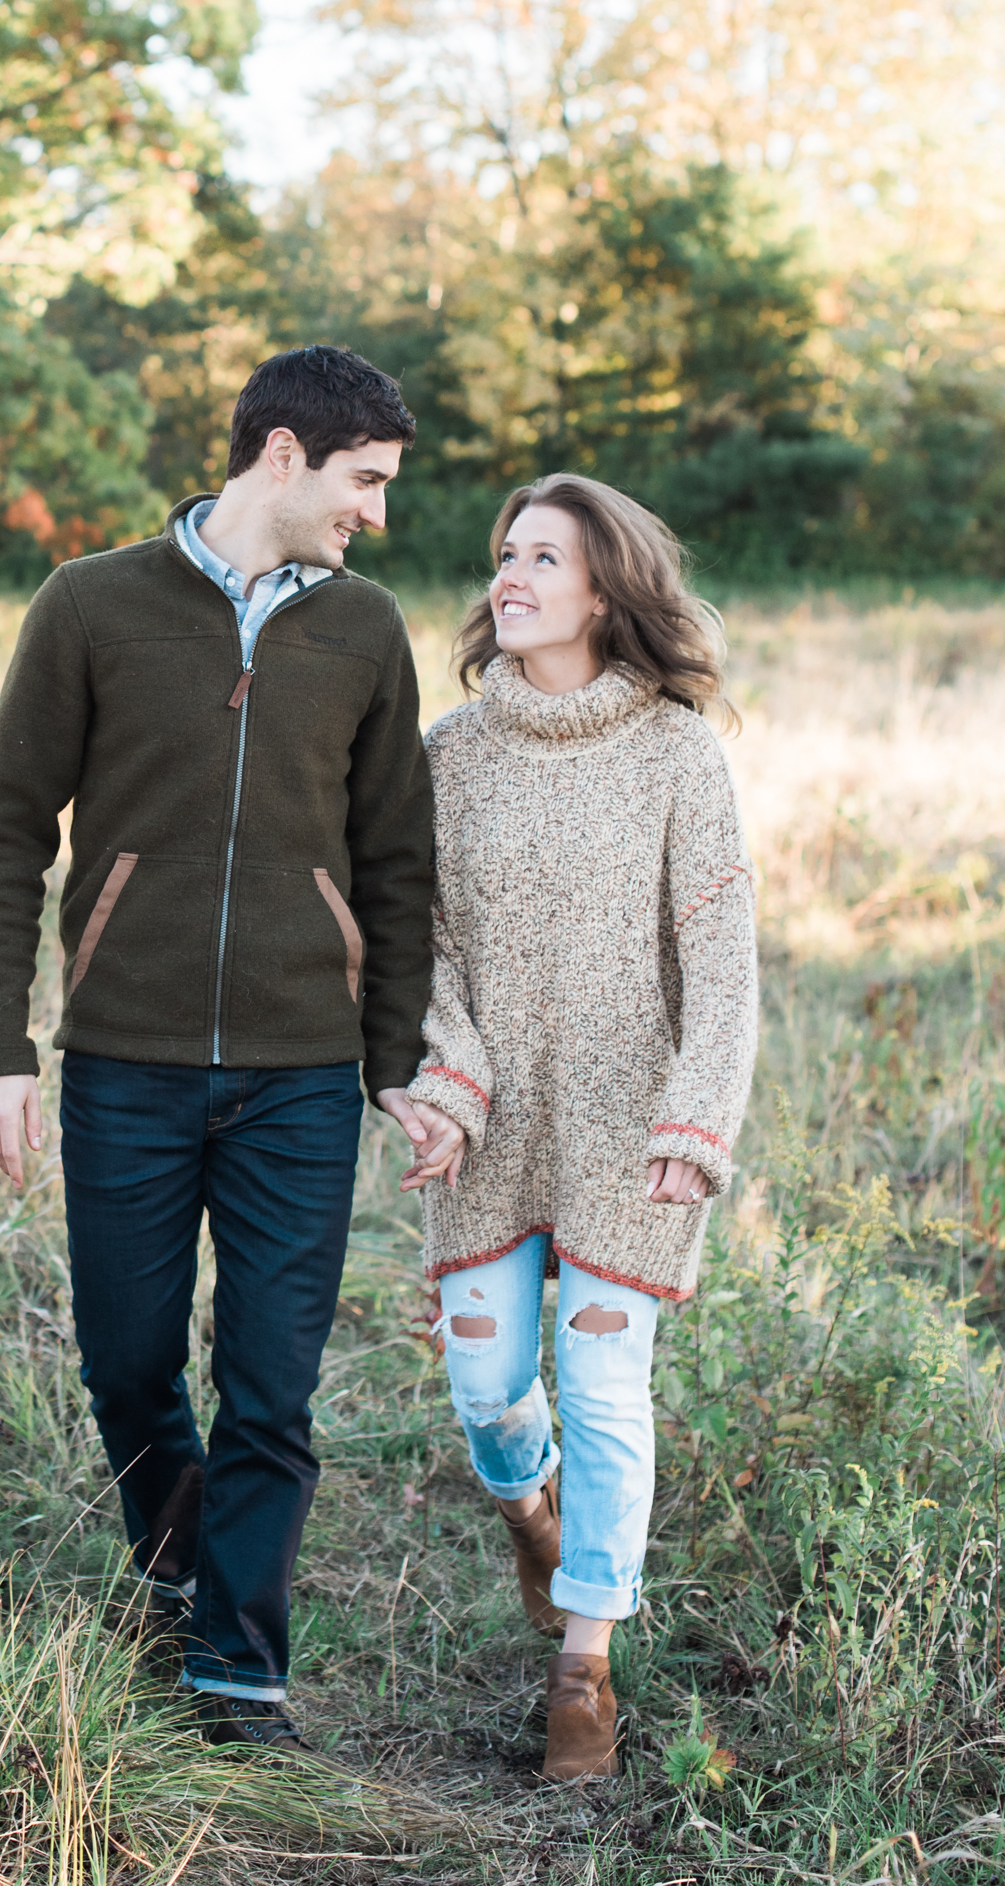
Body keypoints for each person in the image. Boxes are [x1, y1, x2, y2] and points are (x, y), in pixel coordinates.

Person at [0, 346, 455, 1749]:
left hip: (300, 1073)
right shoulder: (90, 606)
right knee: (124, 1363)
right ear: (282, 453)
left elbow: (393, 860)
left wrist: (393, 1060)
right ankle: (180, 1562)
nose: (376, 513)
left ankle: (237, 1666)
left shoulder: (364, 631)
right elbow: (2, 834)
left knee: (271, 1387)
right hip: (125, 1063)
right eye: (363, 481)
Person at [397, 473, 759, 1783]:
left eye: (540, 558)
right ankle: (525, 1506)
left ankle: (581, 1673)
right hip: (484, 1129)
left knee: (606, 1393)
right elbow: (413, 944)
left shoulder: (676, 753)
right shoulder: (448, 756)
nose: (509, 576)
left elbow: (719, 963)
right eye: (504, 555)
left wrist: (695, 1115)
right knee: (488, 1385)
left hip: (629, 1135)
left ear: (604, 588)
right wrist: (449, 1072)